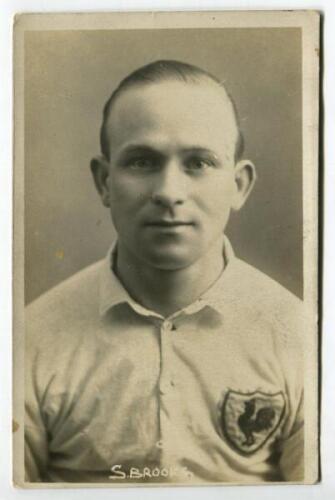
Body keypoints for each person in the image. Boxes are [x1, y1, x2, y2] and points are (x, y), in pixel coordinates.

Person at [25, 60, 304, 484]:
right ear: (104, 181)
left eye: (199, 162)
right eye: (141, 161)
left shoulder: (301, 336)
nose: (169, 193)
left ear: (238, 185)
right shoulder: (29, 339)